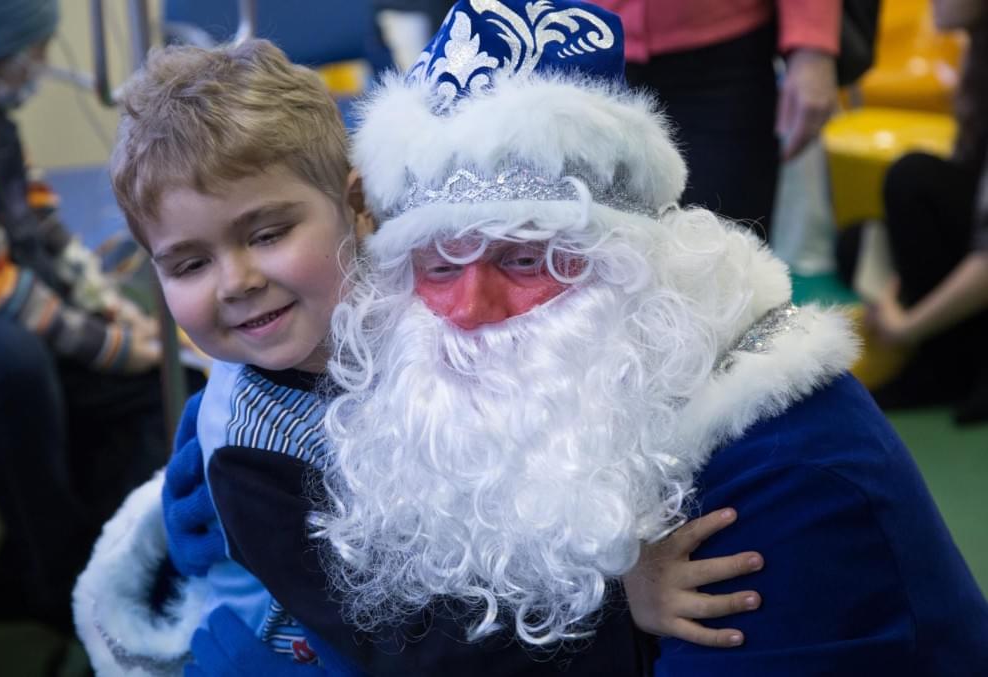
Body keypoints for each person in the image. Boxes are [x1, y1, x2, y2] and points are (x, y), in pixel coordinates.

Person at [306, 0, 984, 673]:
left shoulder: (780, 470)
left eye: (523, 259)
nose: (471, 308)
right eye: (439, 264)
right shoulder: (527, 432)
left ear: (626, 265)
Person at [73, 24, 764, 677]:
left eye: (266, 232)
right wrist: (621, 607)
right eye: (188, 264)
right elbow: (401, 644)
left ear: (358, 203)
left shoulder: (427, 283)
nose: (237, 282)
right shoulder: (254, 456)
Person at [0, 0, 171, 634]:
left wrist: (116, 316)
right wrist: (110, 345)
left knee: (145, 391)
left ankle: (84, 560)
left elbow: (47, 232)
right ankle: (55, 577)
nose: (42, 65)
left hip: (4, 291)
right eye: (32, 52)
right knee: (21, 364)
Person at [594, 0, 842, 239]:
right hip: (583, 44)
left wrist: (813, 44)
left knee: (730, 255)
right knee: (588, 254)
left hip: (726, 55)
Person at [865, 0, 988, 425]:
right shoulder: (976, 53)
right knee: (858, 245)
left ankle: (942, 367)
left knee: (912, 178)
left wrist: (908, 326)